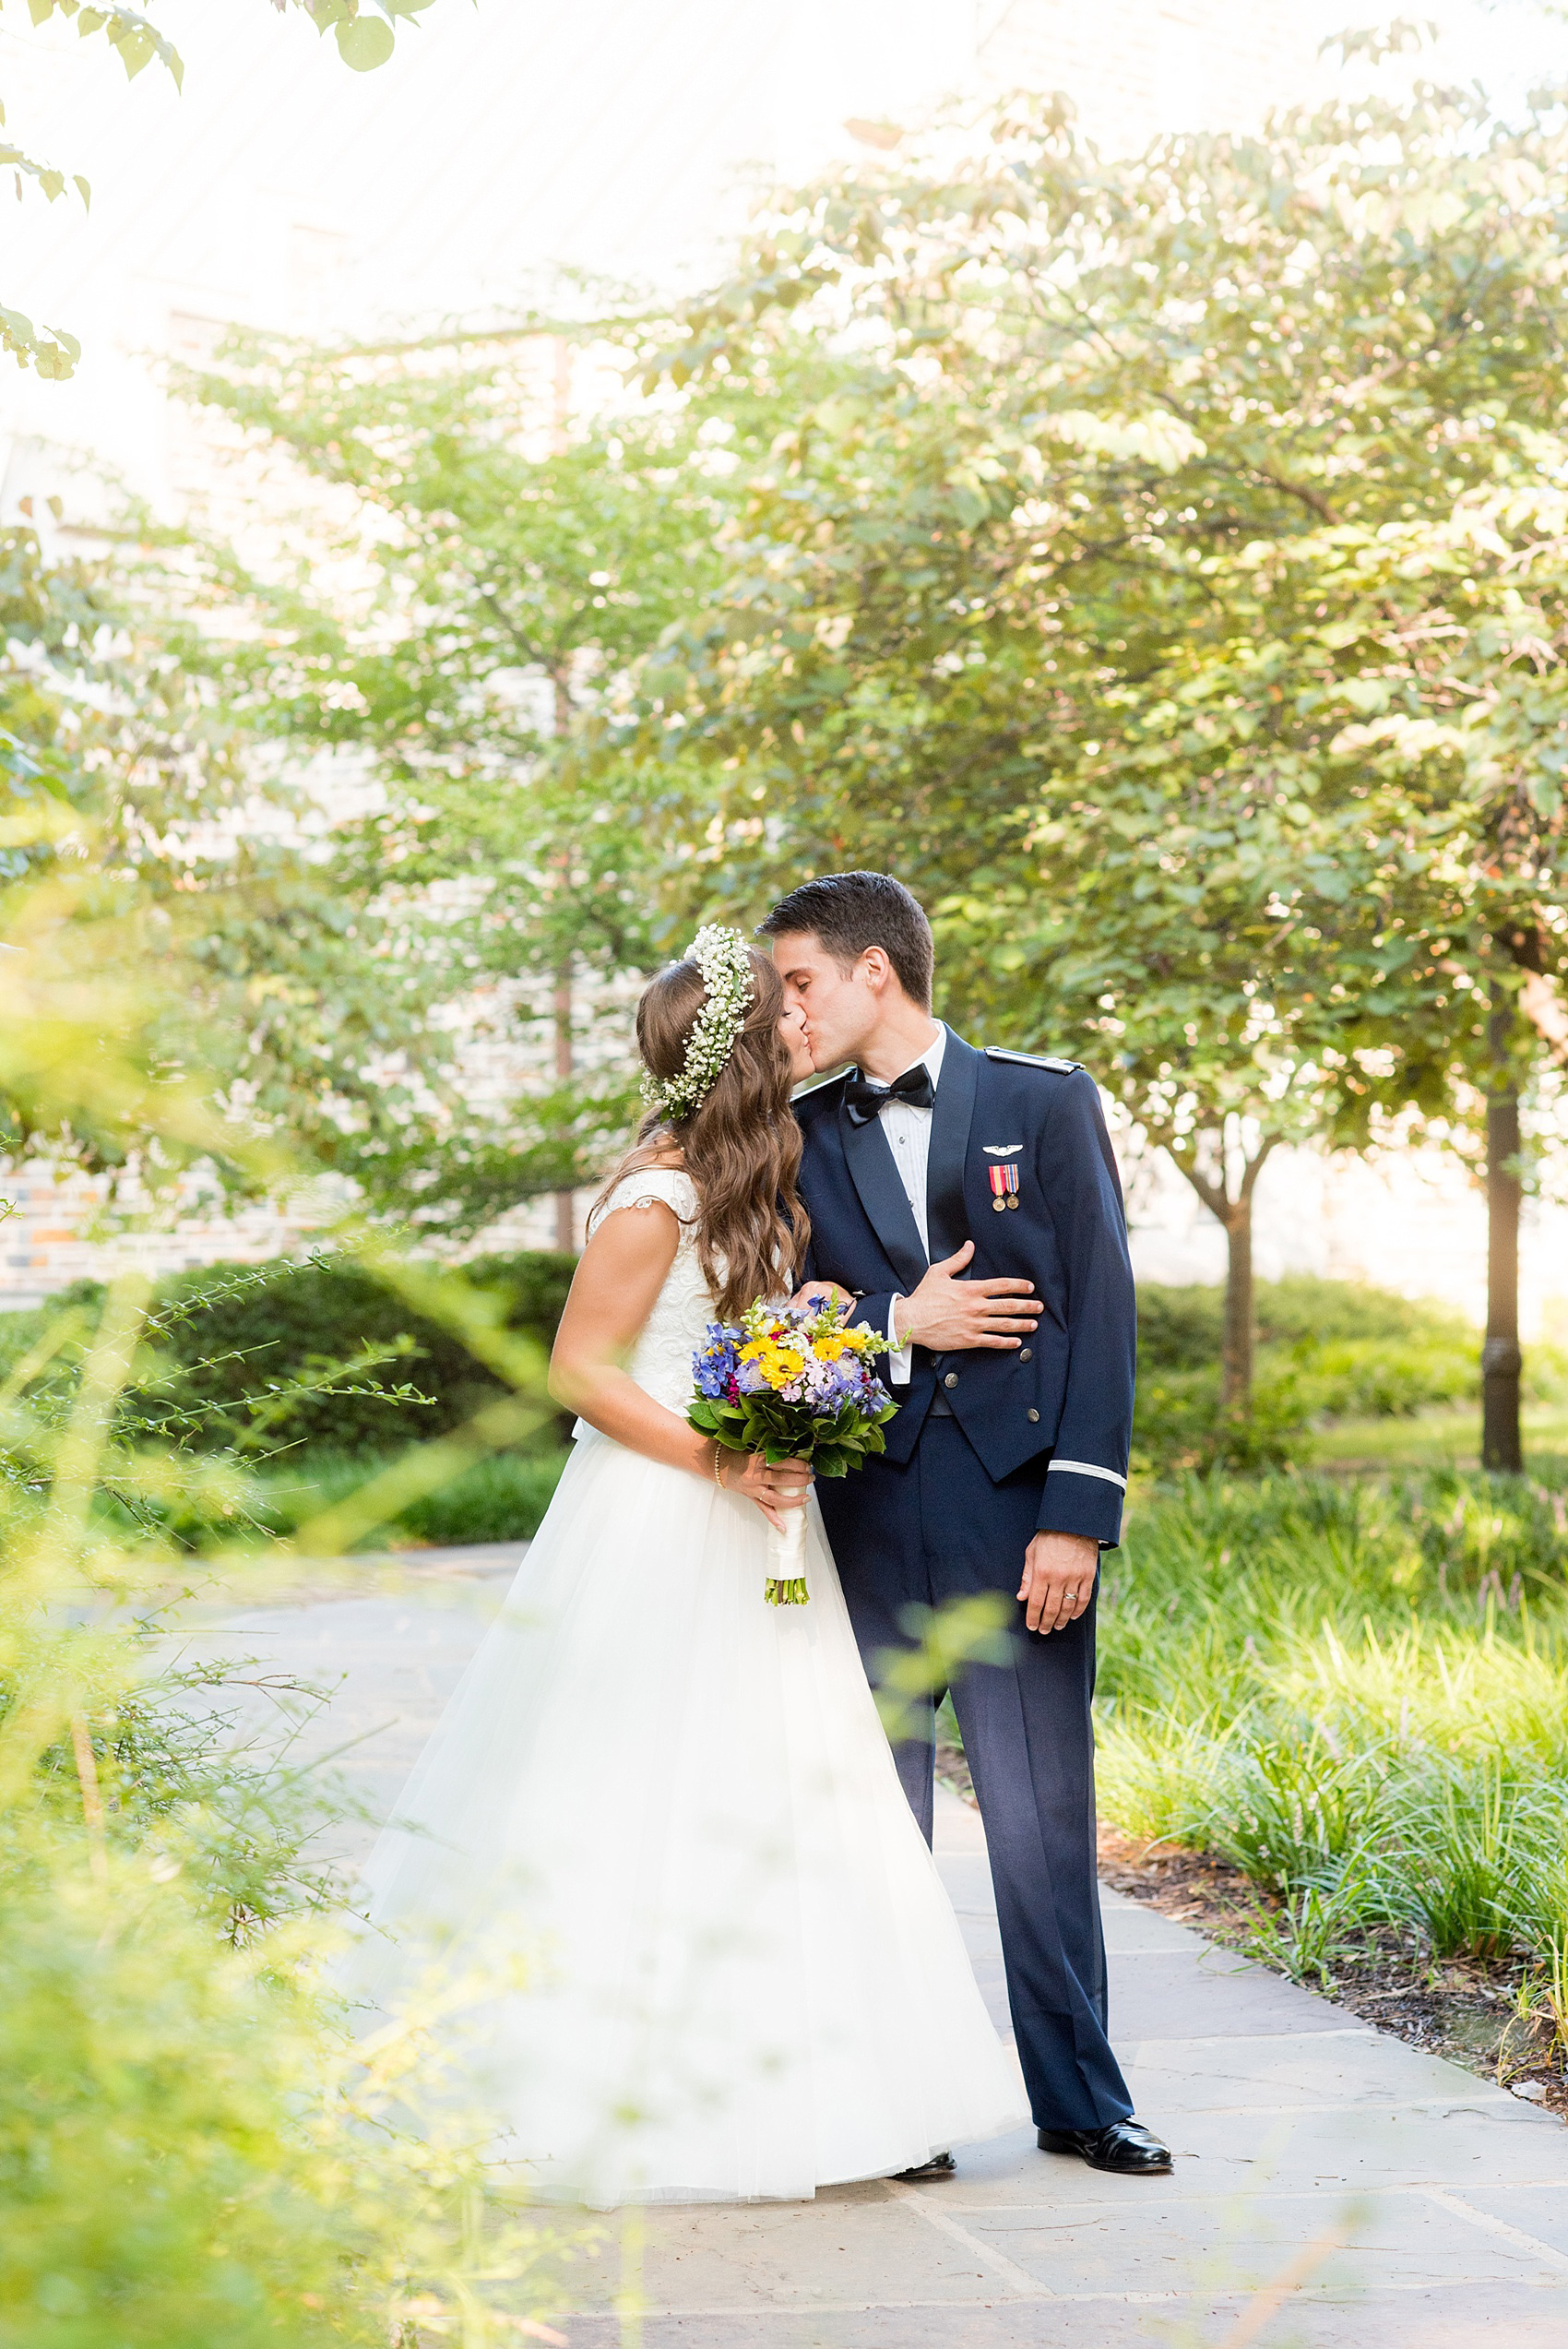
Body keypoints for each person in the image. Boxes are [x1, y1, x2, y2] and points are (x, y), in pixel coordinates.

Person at [342, 928, 1026, 2206]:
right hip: (660, 1520)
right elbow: (579, 1372)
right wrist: (722, 1459)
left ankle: (826, 2087)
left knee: (790, 1785)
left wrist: (809, 1350)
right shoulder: (654, 1197)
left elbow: (733, 1336)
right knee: (640, 1784)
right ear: (743, 1054)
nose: (801, 1028)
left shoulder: (753, 1184)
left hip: (759, 1521)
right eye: (782, 1016)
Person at [759, 871, 1171, 2179]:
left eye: (801, 981)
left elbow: (1101, 1315)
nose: (787, 1009)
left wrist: (1076, 1519)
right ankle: (901, 2107)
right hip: (863, 1516)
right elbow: (773, 1326)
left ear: (877, 971)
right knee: (879, 1823)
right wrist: (894, 1326)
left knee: (1045, 1818)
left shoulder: (1045, 1101)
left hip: (1014, 1515)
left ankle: (1080, 2095)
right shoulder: (795, 1129)